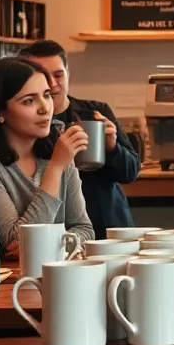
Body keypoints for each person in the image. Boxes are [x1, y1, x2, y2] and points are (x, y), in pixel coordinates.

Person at [0, 56, 95, 253]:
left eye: (47, 95)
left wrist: (49, 246)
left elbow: (84, 229)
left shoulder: (59, 151)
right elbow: (15, 243)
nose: (45, 108)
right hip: (10, 281)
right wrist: (55, 168)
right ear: (0, 112)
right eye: (29, 101)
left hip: (60, 274)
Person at [19, 40, 140, 238]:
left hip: (108, 226)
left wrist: (112, 147)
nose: (52, 84)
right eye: (42, 76)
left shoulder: (96, 112)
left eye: (58, 75)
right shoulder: (26, 125)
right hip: (59, 230)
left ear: (69, 74)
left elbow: (130, 173)